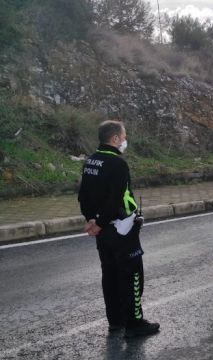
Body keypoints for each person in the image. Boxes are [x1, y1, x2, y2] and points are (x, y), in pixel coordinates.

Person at [78, 120, 160, 338]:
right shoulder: (117, 163)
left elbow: (83, 195)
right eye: (123, 137)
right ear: (114, 139)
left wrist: (92, 221)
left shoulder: (90, 161)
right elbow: (116, 200)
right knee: (132, 275)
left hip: (102, 231)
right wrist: (102, 223)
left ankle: (115, 321)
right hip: (121, 230)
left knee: (110, 274)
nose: (125, 140)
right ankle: (134, 323)